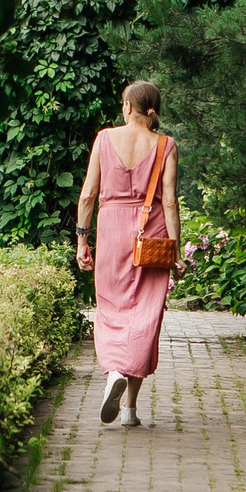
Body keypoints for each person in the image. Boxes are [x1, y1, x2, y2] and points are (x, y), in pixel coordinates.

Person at [76, 80, 179, 426]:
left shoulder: (105, 138)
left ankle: (115, 376)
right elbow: (169, 200)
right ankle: (129, 407)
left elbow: (89, 194)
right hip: (151, 236)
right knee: (145, 317)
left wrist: (82, 239)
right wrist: (176, 250)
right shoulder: (165, 145)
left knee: (111, 309)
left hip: (111, 231)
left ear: (127, 107)